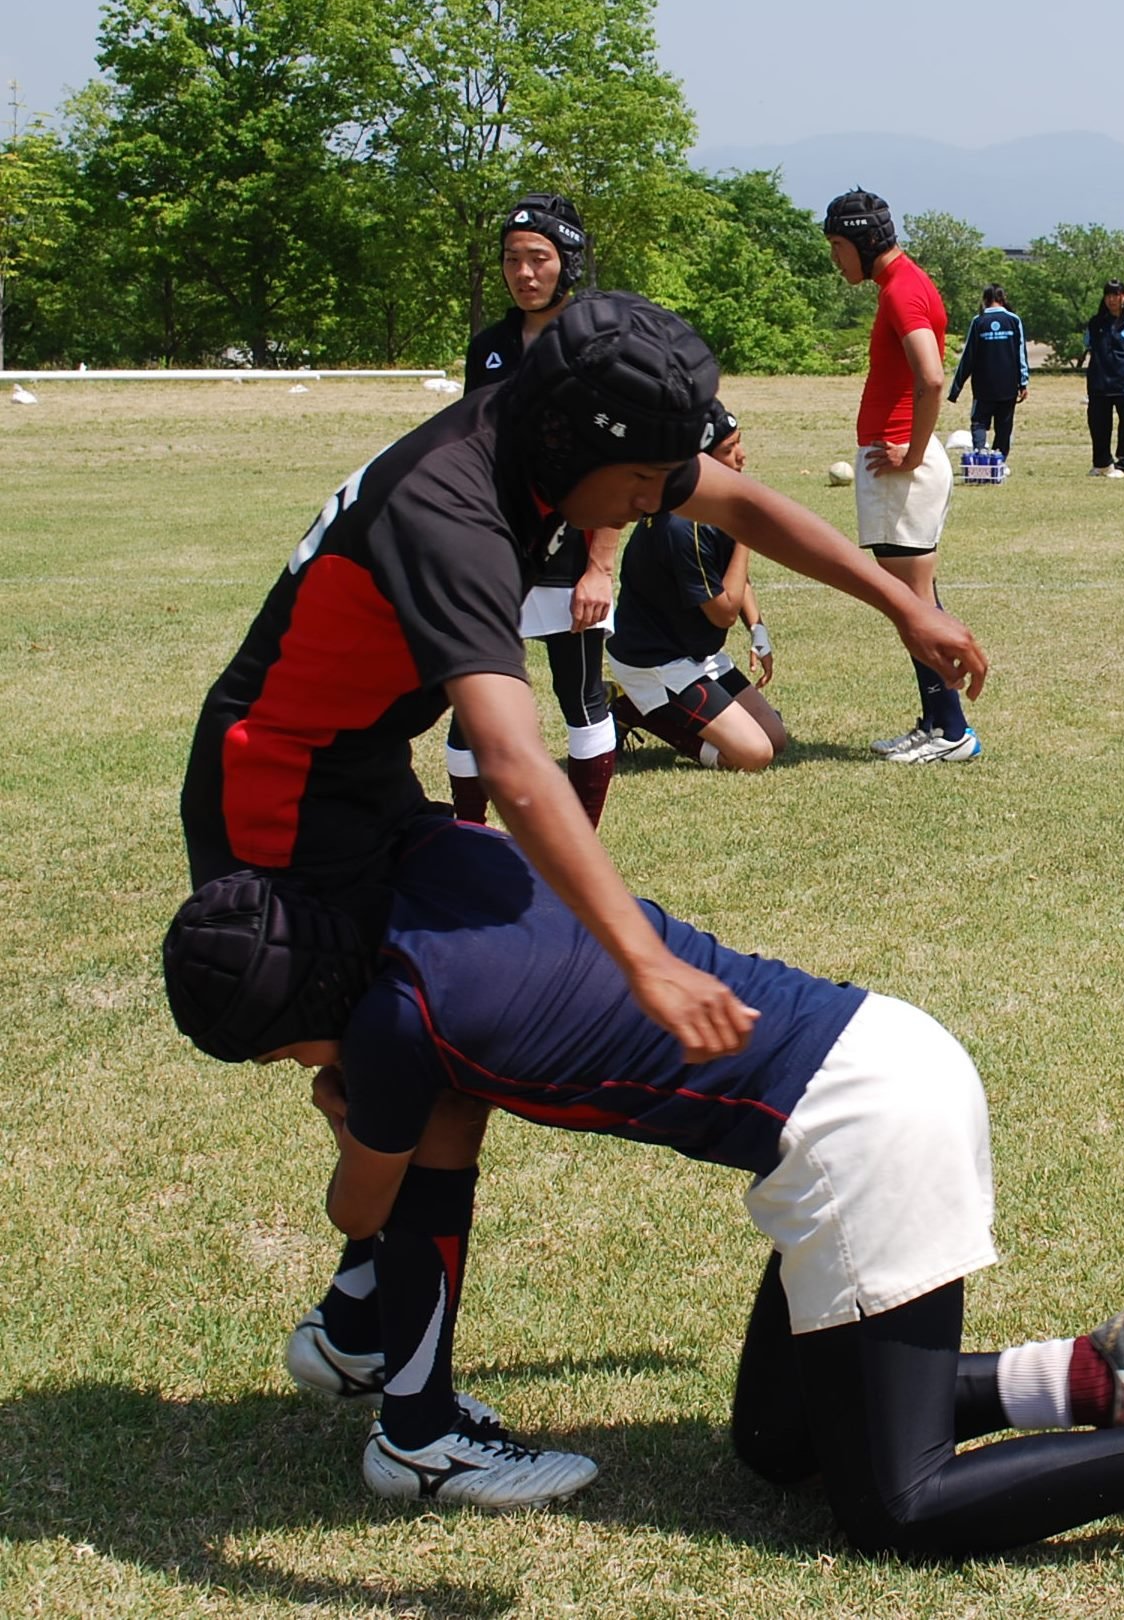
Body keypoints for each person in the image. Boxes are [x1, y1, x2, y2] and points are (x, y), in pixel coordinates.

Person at [158, 824, 1124, 1576]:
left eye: (281, 1060)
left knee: (896, 1512)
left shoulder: (387, 1034)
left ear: (302, 1022)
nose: (298, 1075)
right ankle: (1079, 1377)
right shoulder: (439, 860)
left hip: (859, 1131)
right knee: (774, 1444)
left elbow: (356, 1212)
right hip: (868, 1062)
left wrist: (342, 1109)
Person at [179, 290, 989, 1393]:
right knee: (412, 1065)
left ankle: (369, 1317)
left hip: (358, 773)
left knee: (432, 1066)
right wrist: (640, 961)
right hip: (276, 806)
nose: (660, 504)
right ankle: (405, 1397)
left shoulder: (561, 431)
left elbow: (741, 504)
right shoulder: (451, 509)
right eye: (648, 485)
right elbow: (514, 763)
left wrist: (899, 606)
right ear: (577, 445)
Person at [451, 194, 622, 827]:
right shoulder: (489, 346)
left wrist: (599, 567)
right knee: (476, 704)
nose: (524, 273)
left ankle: (583, 847)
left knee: (579, 697)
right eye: (511, 260)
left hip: (570, 550)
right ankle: (467, 839)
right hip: (491, 548)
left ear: (567, 262)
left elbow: (614, 464)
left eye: (539, 259)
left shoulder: (596, 343)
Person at [822, 189, 978, 764]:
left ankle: (952, 729)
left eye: (838, 246)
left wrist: (910, 455)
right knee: (916, 601)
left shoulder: (901, 291)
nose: (836, 259)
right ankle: (939, 721)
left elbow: (932, 378)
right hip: (900, 465)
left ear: (863, 242)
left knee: (911, 604)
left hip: (901, 470)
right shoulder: (904, 282)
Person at [607, 402, 791, 771]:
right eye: (728, 450)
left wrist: (757, 628)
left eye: (740, 443)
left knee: (775, 737)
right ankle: (632, 707)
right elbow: (722, 612)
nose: (742, 456)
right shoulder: (681, 525)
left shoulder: (709, 506)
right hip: (657, 662)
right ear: (698, 463)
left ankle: (645, 705)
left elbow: (732, 581)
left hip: (697, 656)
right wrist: (745, 535)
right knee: (753, 756)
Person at [947, 284, 1029, 460]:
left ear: (985, 299)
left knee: (979, 422)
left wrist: (955, 389)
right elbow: (1020, 353)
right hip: (1008, 385)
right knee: (1004, 426)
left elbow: (968, 357)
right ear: (1002, 298)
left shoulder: (979, 321)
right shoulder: (1014, 320)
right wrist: (1023, 383)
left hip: (983, 386)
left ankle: (980, 458)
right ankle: (999, 461)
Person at [1081, 280, 1124, 478]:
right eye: (1108, 295)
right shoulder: (1096, 322)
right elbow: (1089, 344)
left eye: (1116, 295)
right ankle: (1102, 463)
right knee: (1098, 423)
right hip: (1099, 381)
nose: (1112, 299)